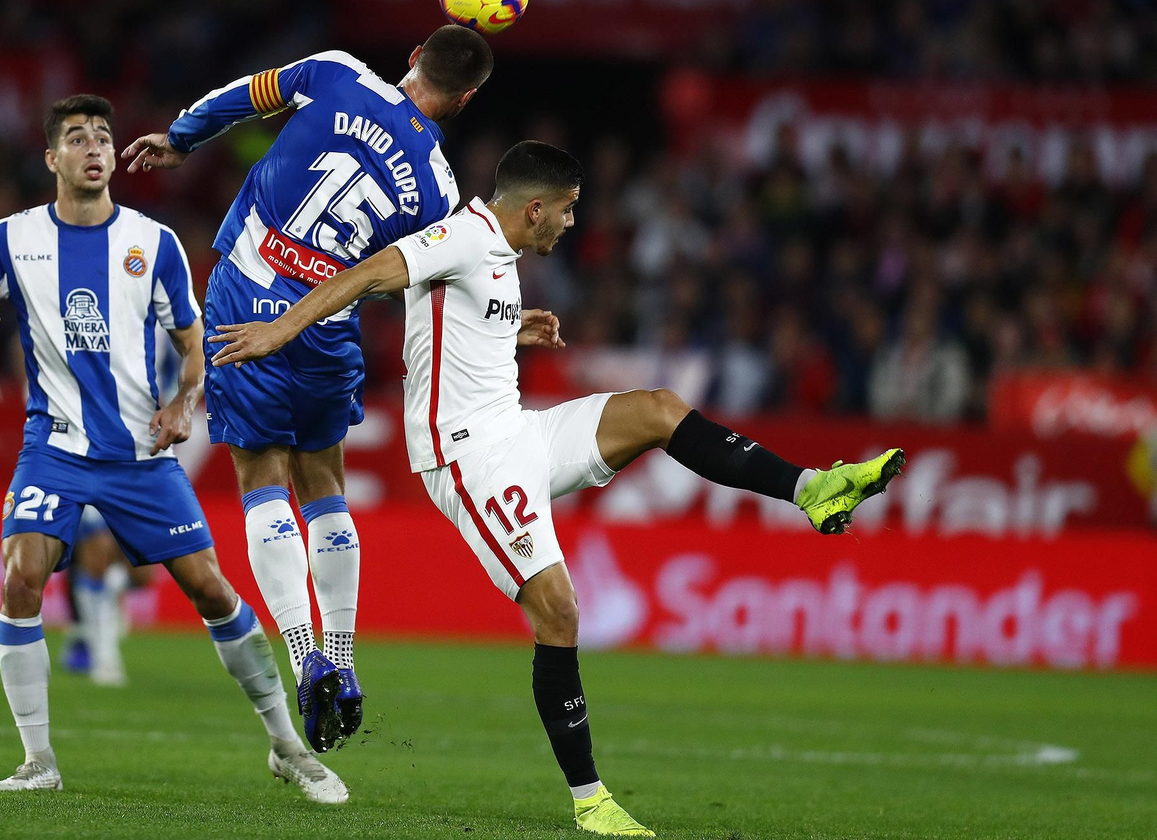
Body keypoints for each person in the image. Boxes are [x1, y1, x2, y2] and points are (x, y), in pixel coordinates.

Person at [210, 141, 905, 837]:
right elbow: (369, 274)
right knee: (560, 612)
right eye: (567, 212)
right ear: (534, 208)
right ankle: (591, 799)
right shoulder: (461, 236)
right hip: (468, 460)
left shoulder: (501, 256)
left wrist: (510, 331)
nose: (571, 225)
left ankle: (812, 488)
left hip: (519, 434)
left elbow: (444, 327)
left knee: (658, 410)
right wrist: (280, 330)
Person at [0, 94, 345, 802]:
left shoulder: (152, 243)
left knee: (211, 589)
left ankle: (287, 745)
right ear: (52, 158)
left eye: (102, 136)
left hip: (139, 455)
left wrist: (185, 403)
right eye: (77, 138)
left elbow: (194, 345)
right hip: (54, 447)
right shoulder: (12, 237)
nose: (94, 147)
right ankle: (39, 761)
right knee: (22, 576)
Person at [121, 25, 494, 751]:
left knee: (261, 478)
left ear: (413, 54)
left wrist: (180, 137)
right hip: (327, 326)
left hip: (246, 299)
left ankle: (304, 656)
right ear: (467, 98)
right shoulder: (441, 190)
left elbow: (245, 97)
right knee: (324, 483)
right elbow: (408, 285)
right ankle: (346, 660)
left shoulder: (336, 73)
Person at [59, 507, 154, 686]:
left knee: (143, 574)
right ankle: (103, 655)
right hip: (97, 489)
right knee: (96, 564)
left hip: (136, 490)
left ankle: (111, 591)